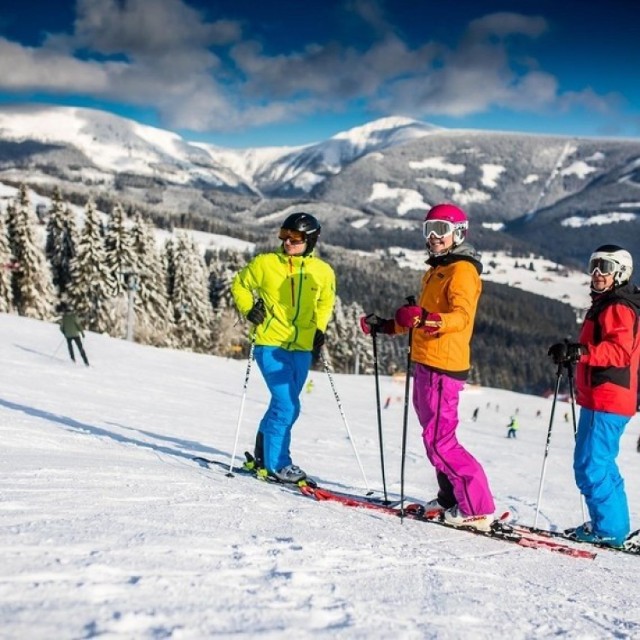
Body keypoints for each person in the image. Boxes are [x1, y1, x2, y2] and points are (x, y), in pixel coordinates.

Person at [360, 203, 495, 531]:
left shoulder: (462, 270)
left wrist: (427, 317)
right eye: (428, 229)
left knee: (440, 440)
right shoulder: (437, 269)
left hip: (443, 364)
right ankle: (450, 497)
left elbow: (460, 317)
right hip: (425, 362)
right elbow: (419, 319)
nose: (433, 237)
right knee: (433, 437)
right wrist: (389, 325)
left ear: (458, 233)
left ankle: (477, 507)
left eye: (441, 230)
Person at [231, 213, 336, 483]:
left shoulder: (323, 272)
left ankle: (263, 457)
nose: (288, 242)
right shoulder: (265, 264)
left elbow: (325, 302)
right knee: (287, 404)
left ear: (311, 239)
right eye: (284, 236)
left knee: (286, 405)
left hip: (301, 348)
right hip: (269, 343)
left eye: (296, 238)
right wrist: (248, 309)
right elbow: (240, 285)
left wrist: (319, 329)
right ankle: (279, 464)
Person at [548, 244, 640, 548]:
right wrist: (575, 354)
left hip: (608, 396)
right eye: (594, 266)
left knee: (591, 464)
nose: (597, 273)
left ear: (621, 272)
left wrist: (581, 352)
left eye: (604, 266)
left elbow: (619, 351)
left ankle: (609, 530)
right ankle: (613, 525)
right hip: (603, 397)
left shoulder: (618, 307)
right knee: (600, 463)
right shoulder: (607, 303)